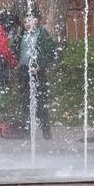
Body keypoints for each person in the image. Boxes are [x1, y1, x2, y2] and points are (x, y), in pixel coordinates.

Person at [17, 10, 57, 140]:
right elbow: (15, 49)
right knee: (25, 101)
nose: (26, 23)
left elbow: (51, 51)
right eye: (24, 21)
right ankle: (27, 131)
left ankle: (46, 131)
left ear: (35, 20)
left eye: (28, 20)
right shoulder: (22, 34)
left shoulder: (42, 34)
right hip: (23, 71)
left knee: (40, 101)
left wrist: (41, 64)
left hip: (37, 72)